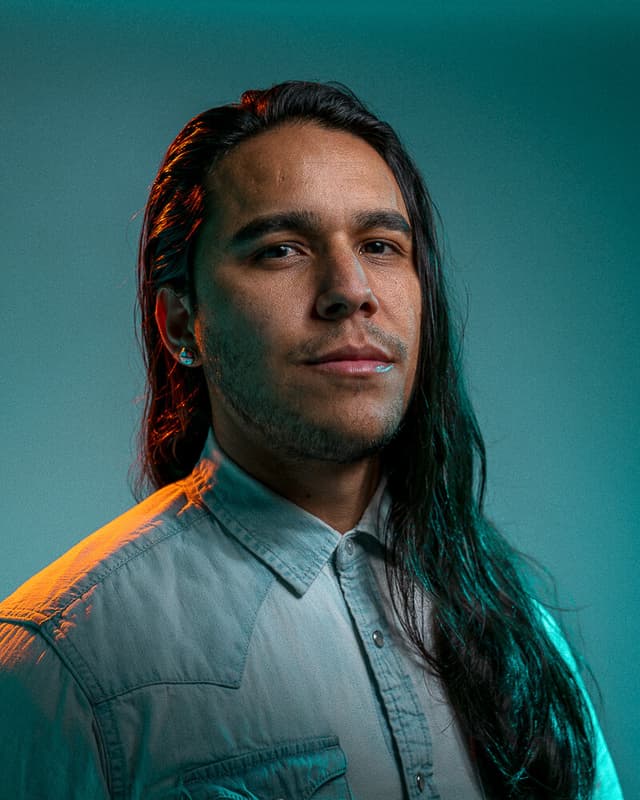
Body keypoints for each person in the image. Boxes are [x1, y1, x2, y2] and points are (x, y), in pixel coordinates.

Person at [0, 81, 623, 800]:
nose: (351, 290)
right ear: (180, 323)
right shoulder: (56, 667)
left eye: (380, 245)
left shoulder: (516, 627)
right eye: (281, 250)